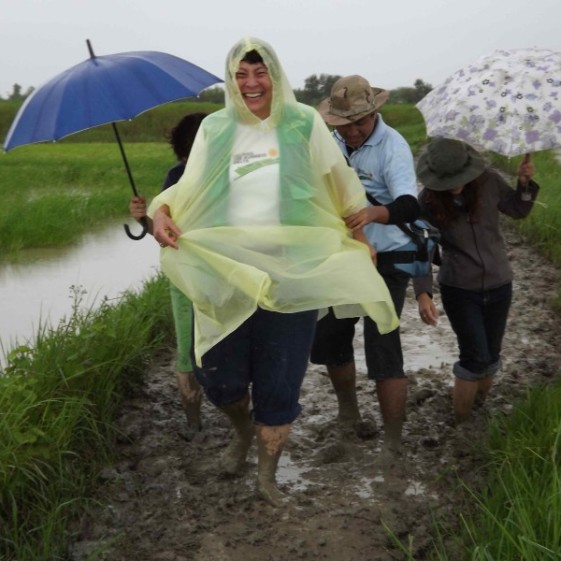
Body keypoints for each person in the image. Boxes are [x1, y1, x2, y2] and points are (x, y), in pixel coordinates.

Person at [148, 37, 399, 506]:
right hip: (228, 271)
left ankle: (267, 475)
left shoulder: (303, 123)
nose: (251, 83)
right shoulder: (217, 130)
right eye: (241, 75)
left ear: (275, 75)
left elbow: (339, 183)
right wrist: (160, 213)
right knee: (219, 378)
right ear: (231, 80)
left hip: (291, 272)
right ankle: (241, 431)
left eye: (259, 72)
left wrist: (360, 239)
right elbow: (186, 188)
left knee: (280, 381)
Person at [310, 75, 420, 454]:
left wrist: (375, 212)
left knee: (382, 344)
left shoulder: (393, 147)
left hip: (390, 256)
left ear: (375, 113)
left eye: (360, 123)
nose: (353, 132)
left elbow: (410, 204)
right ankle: (350, 415)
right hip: (345, 254)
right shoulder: (331, 143)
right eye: (345, 125)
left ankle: (392, 439)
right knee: (329, 338)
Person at [413, 138, 539, 424]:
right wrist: (423, 293)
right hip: (459, 287)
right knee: (474, 357)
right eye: (447, 181)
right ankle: (461, 421)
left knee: (492, 354)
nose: (454, 185)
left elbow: (519, 210)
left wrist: (524, 185)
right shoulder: (428, 202)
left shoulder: (490, 182)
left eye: (459, 178)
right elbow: (422, 249)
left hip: (499, 282)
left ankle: (478, 410)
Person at [129, 112, 207, 431]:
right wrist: (141, 219)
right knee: (187, 349)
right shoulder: (175, 176)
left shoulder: (230, 177)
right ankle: (193, 419)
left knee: (228, 342)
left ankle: (236, 409)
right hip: (184, 277)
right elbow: (160, 233)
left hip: (224, 276)